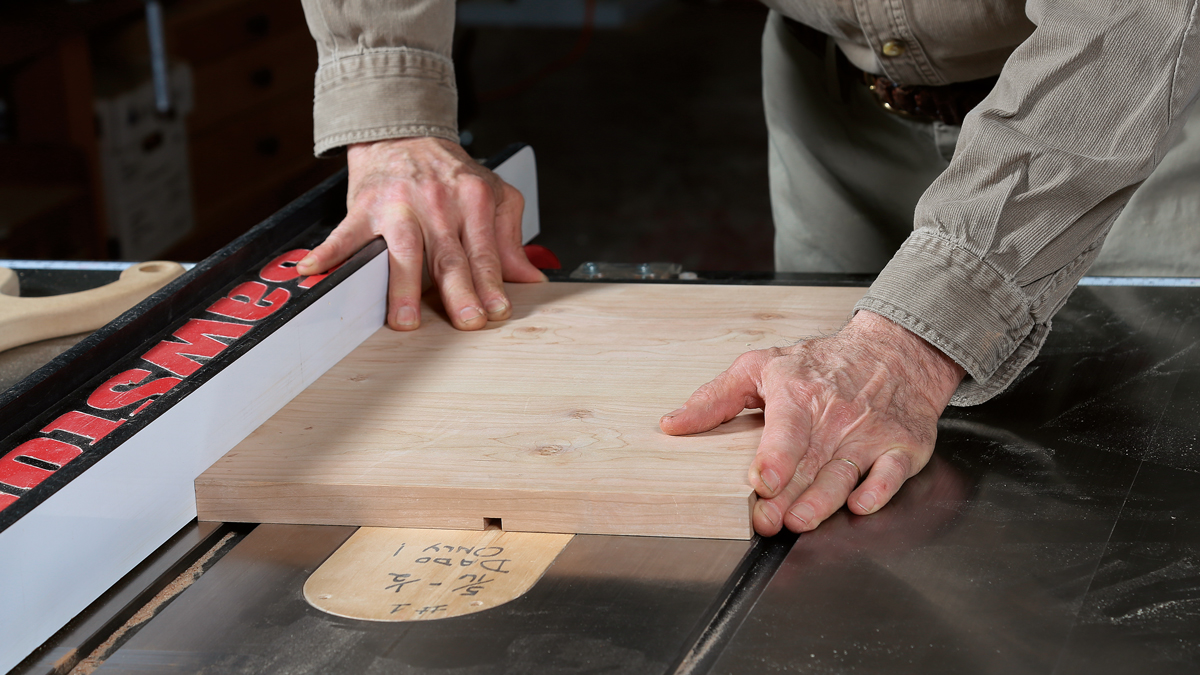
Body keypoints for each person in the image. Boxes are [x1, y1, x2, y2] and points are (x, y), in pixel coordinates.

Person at [294, 0, 1200, 537]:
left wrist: (916, 340)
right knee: (842, 531)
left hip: (1140, 113)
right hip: (843, 101)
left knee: (1136, 510)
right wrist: (390, 99)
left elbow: (1137, 20)